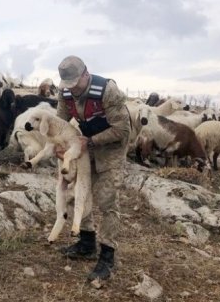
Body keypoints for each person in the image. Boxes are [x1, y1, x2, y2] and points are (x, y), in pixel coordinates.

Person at [55, 55, 130, 283]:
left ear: (86, 75)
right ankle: (87, 243)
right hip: (85, 143)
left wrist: (92, 141)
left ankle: (107, 255)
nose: (73, 90)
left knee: (107, 200)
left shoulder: (108, 91)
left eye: (76, 84)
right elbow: (60, 123)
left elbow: (122, 129)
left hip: (112, 147)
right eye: (68, 86)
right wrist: (61, 146)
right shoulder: (65, 92)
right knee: (81, 192)